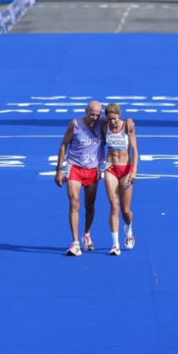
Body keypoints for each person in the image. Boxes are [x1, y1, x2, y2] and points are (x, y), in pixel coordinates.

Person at [55, 100, 105, 256]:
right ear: (86, 112)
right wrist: (58, 170)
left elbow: (119, 120)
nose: (94, 118)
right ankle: (75, 243)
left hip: (93, 170)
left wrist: (129, 121)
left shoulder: (103, 124)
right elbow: (63, 145)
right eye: (92, 114)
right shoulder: (75, 124)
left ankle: (87, 234)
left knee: (89, 205)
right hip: (74, 168)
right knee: (73, 203)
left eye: (97, 115)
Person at [102, 102, 138, 255]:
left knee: (125, 211)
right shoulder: (104, 127)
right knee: (113, 207)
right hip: (110, 168)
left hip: (126, 170)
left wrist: (134, 171)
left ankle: (128, 229)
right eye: (109, 119)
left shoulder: (128, 127)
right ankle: (115, 244)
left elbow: (135, 151)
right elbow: (91, 119)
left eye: (115, 119)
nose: (113, 122)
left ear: (120, 116)